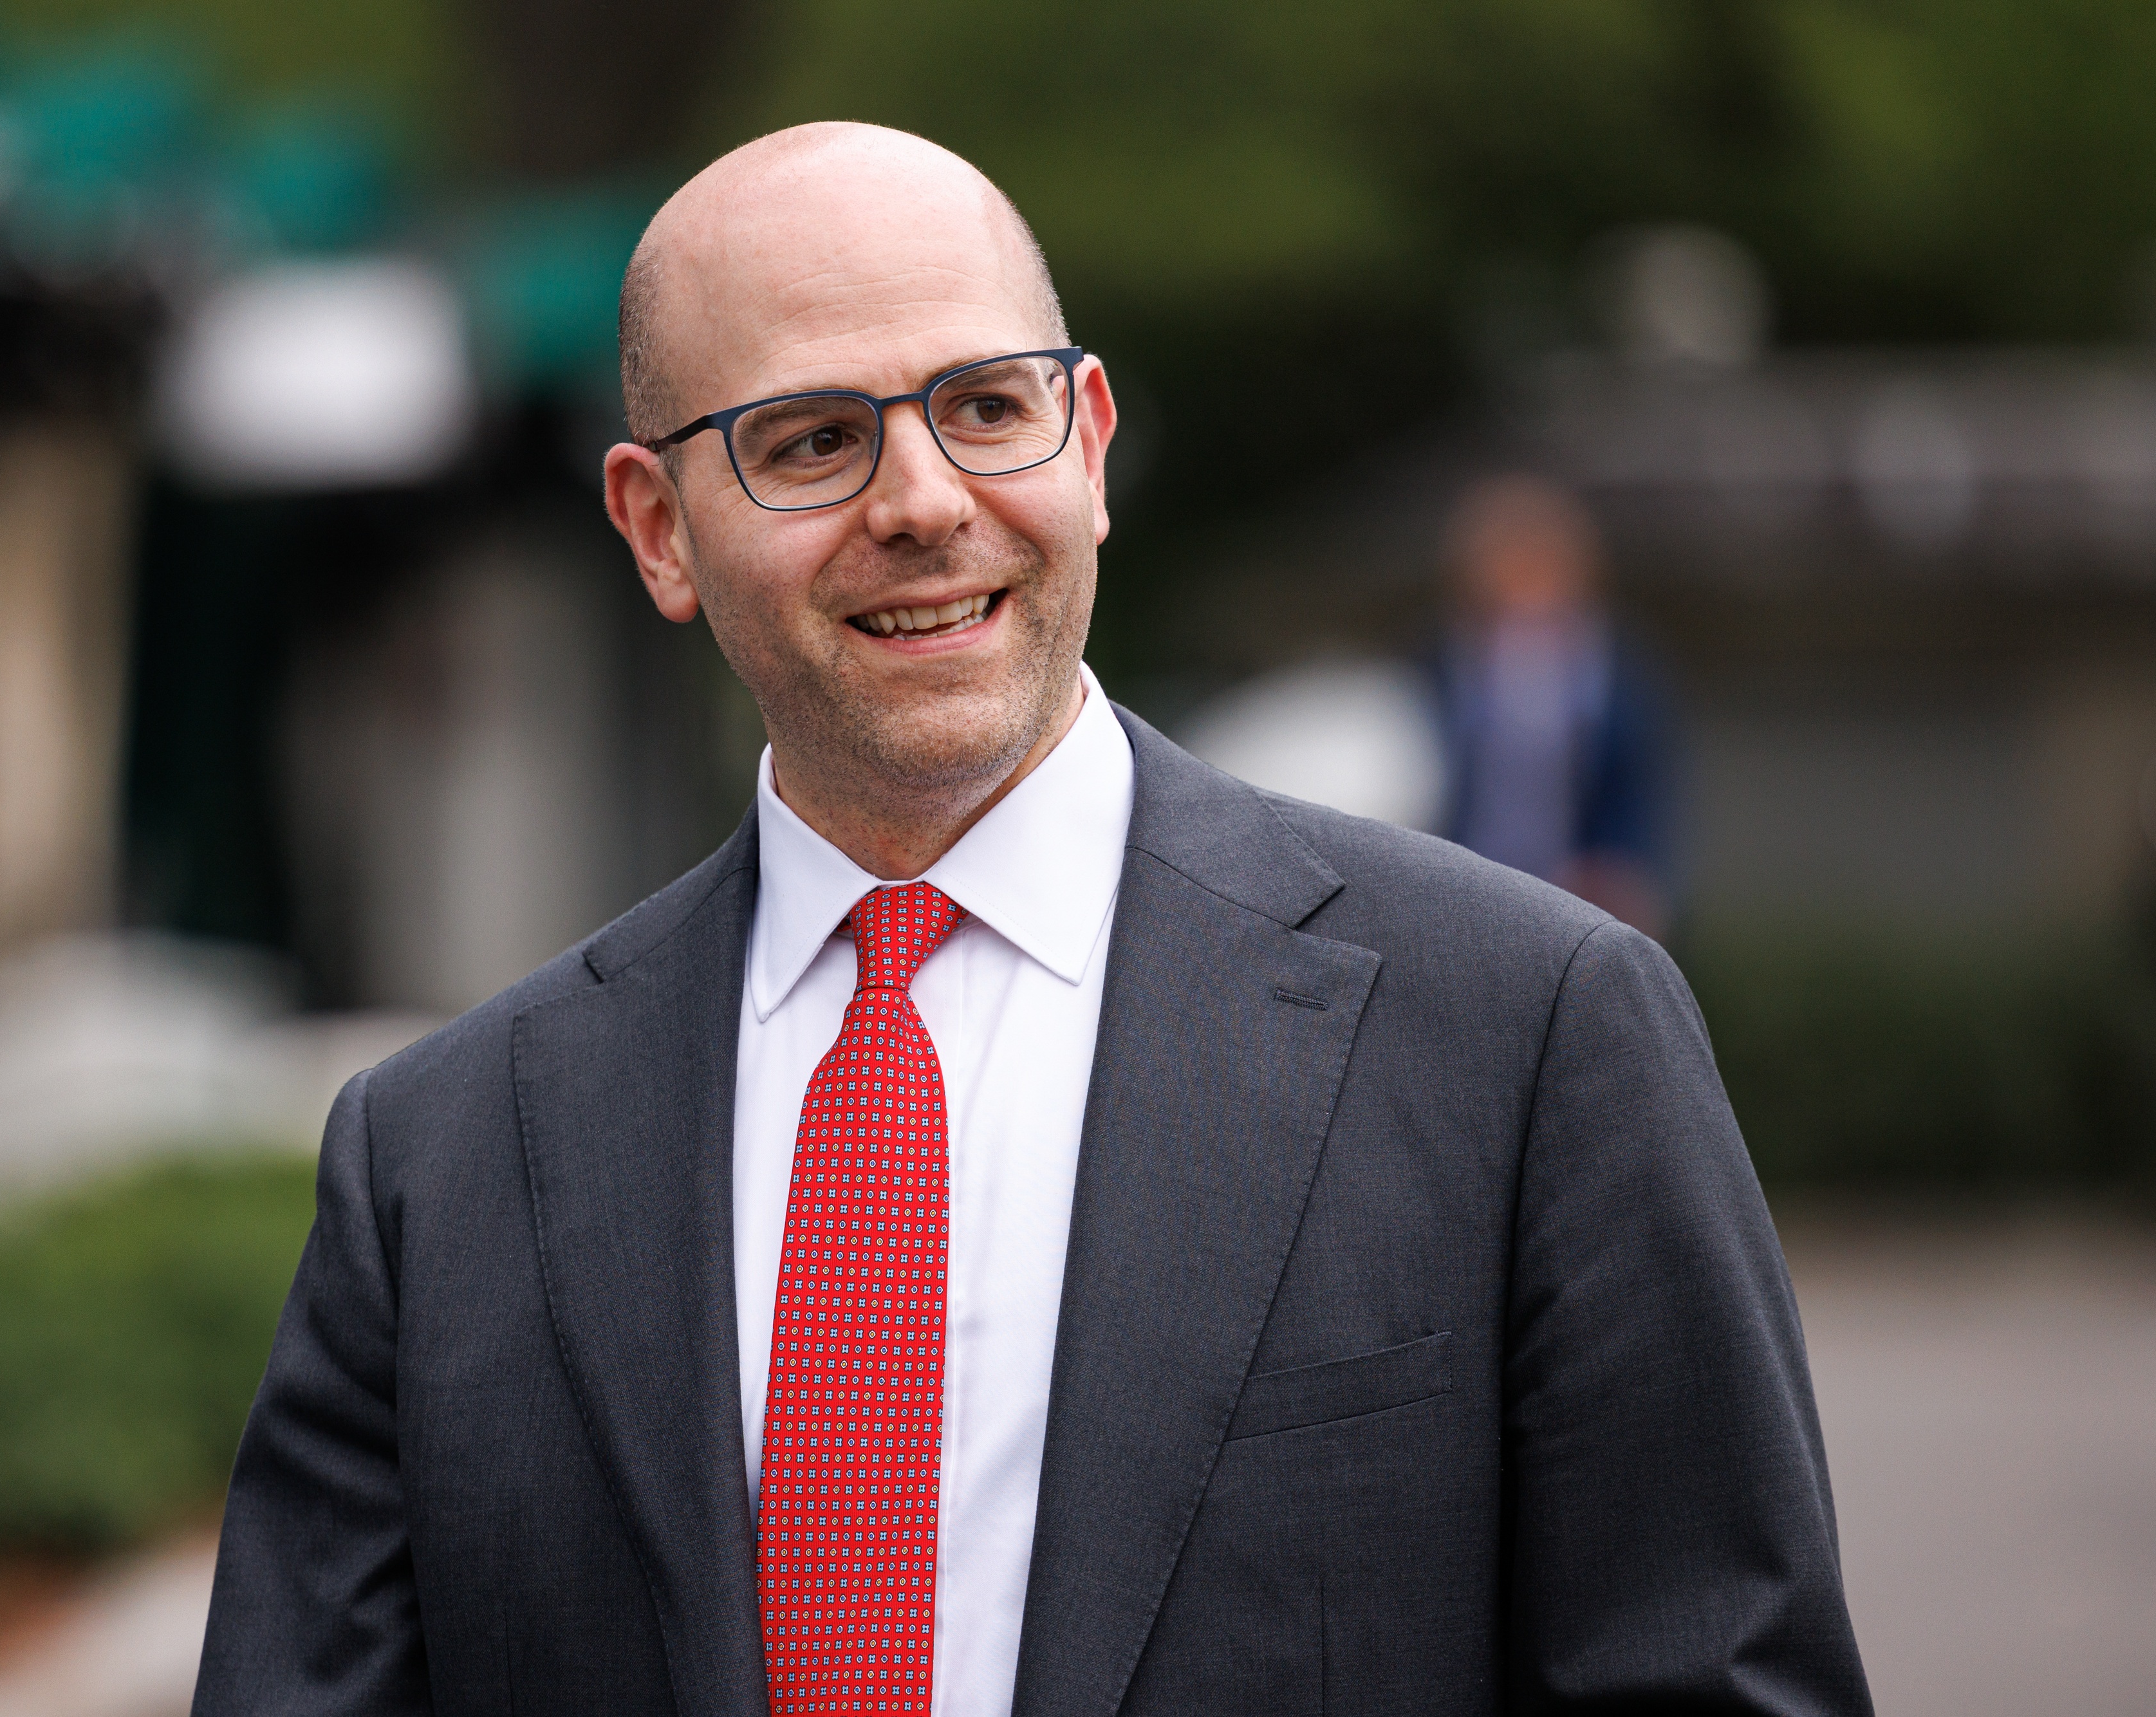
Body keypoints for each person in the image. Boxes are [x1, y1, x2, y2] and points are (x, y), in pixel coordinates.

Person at [195, 124, 1868, 1716]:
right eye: (812, 438)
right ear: (657, 529)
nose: (922, 498)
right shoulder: (441, 1165)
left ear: (1093, 442)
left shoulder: (1530, 1037)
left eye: (988, 406)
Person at [1428, 474, 1674, 939]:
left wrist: (1631, 880)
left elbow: (1639, 797)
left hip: (1577, 901)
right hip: (1456, 890)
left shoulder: (1618, 669)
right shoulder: (1439, 663)